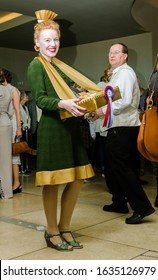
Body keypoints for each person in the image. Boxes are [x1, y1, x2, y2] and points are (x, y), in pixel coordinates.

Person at [27, 9, 101, 251]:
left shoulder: (59, 67)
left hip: (69, 127)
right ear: (37, 44)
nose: (52, 44)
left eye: (55, 39)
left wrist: (88, 106)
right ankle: (51, 231)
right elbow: (40, 99)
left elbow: (74, 95)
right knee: (52, 183)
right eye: (47, 40)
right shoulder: (36, 66)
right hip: (52, 130)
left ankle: (65, 226)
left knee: (77, 179)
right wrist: (62, 103)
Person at [88, 43, 155, 224]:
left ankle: (142, 207)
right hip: (120, 126)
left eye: (116, 52)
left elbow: (122, 101)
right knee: (112, 166)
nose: (112, 55)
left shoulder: (125, 73)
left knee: (121, 167)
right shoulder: (117, 74)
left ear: (125, 56)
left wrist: (99, 113)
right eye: (110, 52)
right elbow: (111, 99)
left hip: (123, 127)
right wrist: (97, 113)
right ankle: (118, 202)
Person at [0, 68, 22, 194]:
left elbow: (17, 110)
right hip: (5, 120)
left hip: (12, 122)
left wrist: (18, 127)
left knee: (13, 153)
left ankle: (16, 182)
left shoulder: (13, 89)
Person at [0, 79, 14, 199]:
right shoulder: (7, 90)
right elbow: (10, 111)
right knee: (6, 159)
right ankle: (7, 192)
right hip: (6, 122)